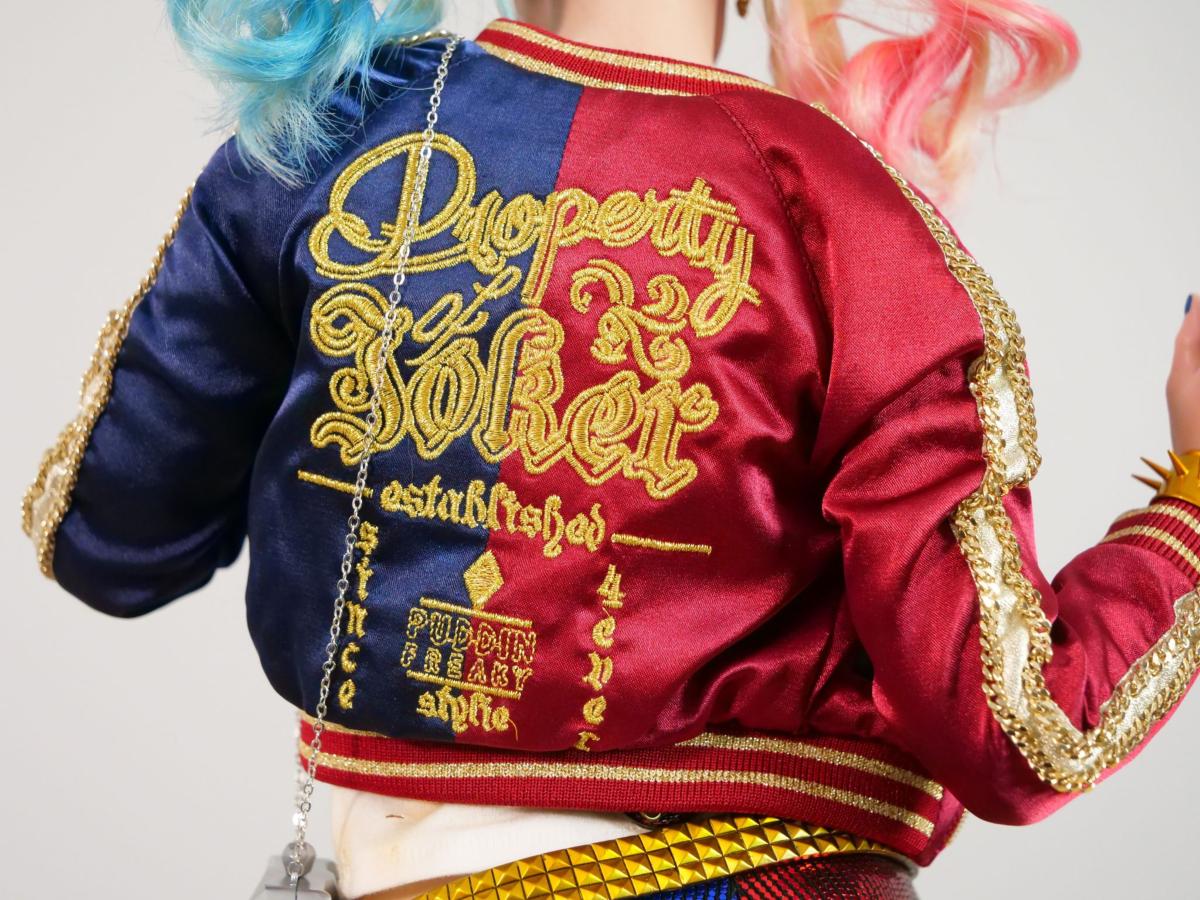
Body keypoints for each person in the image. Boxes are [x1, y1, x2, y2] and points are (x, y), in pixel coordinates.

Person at [21, 1, 1200, 898]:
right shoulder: (855, 221)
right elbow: (1025, 732)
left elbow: (110, 543)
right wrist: (1188, 509)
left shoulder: (319, 146)